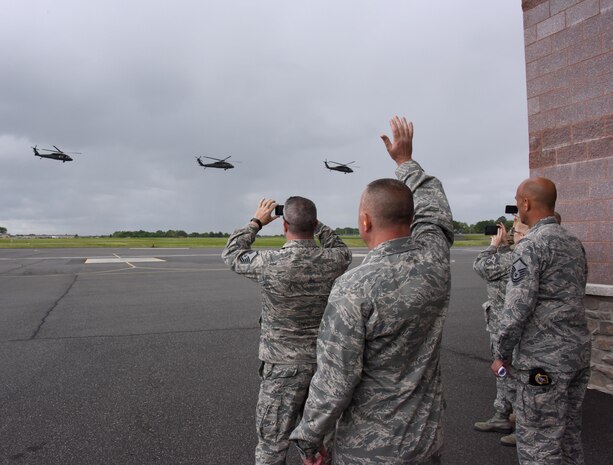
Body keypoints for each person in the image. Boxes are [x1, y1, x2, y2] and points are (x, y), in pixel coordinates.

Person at [290, 116, 454, 465]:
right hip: (425, 442)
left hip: (370, 452)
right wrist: (406, 162)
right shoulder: (435, 260)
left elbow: (335, 381)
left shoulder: (353, 287)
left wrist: (309, 438)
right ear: (411, 218)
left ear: (364, 222)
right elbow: (435, 211)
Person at [222, 197, 352, 465]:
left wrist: (257, 221)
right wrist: (316, 224)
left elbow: (232, 253)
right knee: (320, 446)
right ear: (314, 224)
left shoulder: (271, 261)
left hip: (282, 368)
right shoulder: (334, 259)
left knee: (272, 446)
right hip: (323, 367)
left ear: (284, 225)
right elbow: (340, 247)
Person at [491, 178, 591, 465]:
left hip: (543, 362)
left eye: (517, 200)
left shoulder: (530, 246)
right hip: (577, 355)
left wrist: (501, 354)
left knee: (539, 444)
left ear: (525, 203)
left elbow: (517, 308)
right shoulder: (573, 243)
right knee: (570, 435)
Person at [472, 218, 528, 447]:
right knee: (504, 374)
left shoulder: (516, 257)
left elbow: (481, 265)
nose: (514, 233)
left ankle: (522, 424)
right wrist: (504, 245)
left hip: (509, 328)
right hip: (502, 327)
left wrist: (493, 245)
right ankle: (502, 415)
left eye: (518, 231)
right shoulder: (513, 255)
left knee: (514, 375)